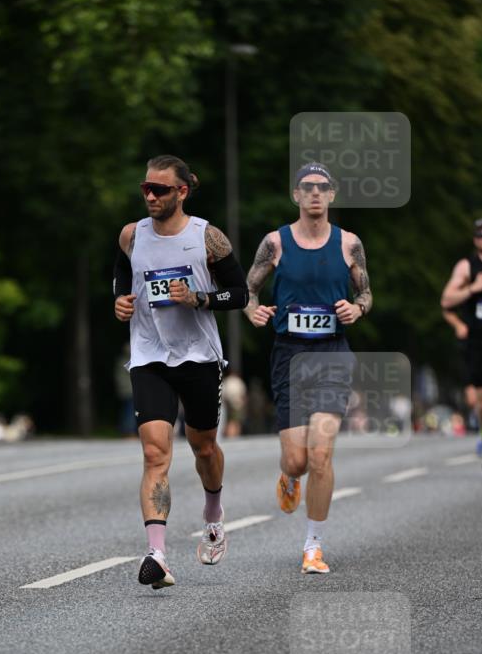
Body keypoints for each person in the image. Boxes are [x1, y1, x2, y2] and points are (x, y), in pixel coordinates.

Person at [113, 154, 248, 588]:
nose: (150, 196)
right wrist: (120, 300)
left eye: (159, 189)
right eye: (145, 188)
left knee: (203, 448)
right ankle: (157, 554)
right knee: (155, 453)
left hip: (198, 356)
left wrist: (200, 299)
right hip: (149, 356)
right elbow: (123, 272)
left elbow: (240, 294)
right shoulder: (132, 235)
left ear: (182, 191)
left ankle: (213, 513)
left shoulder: (207, 237)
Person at [244, 162, 372, 574]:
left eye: (322, 186)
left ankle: (313, 547)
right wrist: (251, 310)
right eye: (307, 186)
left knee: (320, 454)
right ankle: (289, 476)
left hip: (333, 353)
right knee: (297, 460)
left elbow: (366, 293)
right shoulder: (275, 243)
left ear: (332, 194)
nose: (315, 192)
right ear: (296, 195)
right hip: (290, 356)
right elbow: (249, 288)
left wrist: (357, 309)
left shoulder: (349, 243)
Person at [440, 217, 482, 460]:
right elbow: (446, 301)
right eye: (480, 235)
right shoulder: (467, 267)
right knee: (478, 399)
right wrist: (473, 288)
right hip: (476, 339)